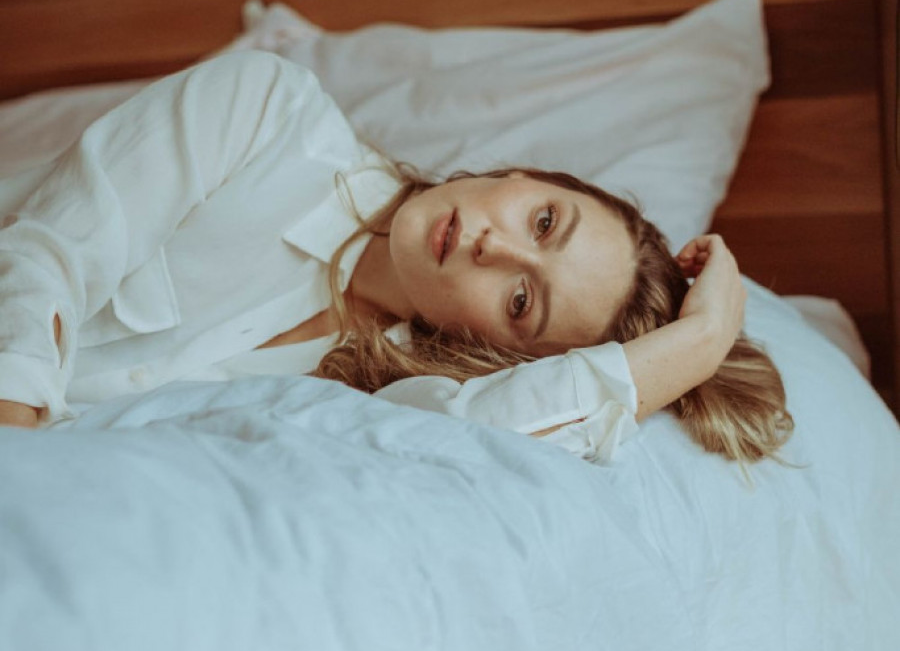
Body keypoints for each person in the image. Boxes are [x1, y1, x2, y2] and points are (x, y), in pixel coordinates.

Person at [0, 50, 792, 462]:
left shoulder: (398, 399)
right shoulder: (270, 116)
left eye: (521, 300)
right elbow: (43, 260)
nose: (493, 245)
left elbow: (499, 434)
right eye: (544, 220)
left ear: (499, 350)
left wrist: (700, 344)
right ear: (527, 175)